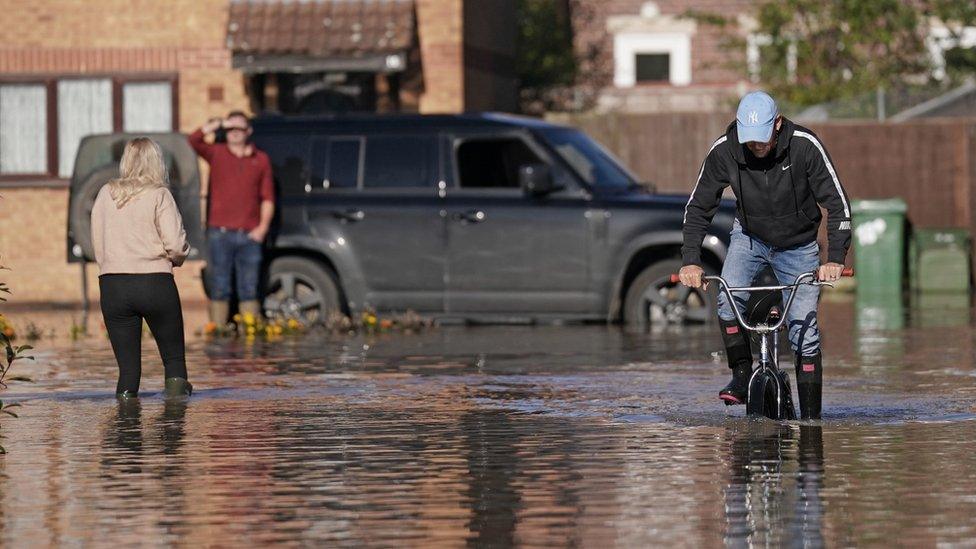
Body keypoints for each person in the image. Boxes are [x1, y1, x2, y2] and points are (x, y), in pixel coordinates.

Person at [678, 91, 851, 420]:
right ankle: (742, 374)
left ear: (778, 124)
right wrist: (690, 260)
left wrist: (836, 258)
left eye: (762, 139)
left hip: (799, 245)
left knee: (805, 331)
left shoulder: (804, 146)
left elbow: (837, 203)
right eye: (750, 140)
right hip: (750, 238)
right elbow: (698, 207)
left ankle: (811, 421)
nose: (756, 147)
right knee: (728, 300)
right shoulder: (725, 150)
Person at [92, 138, 193, 398]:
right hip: (154, 282)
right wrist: (176, 260)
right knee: (173, 362)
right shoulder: (160, 194)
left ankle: (126, 429)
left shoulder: (105, 193)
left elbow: (97, 242)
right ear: (156, 162)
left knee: (127, 371)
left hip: (113, 284)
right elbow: (176, 245)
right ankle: (174, 429)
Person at [189, 111, 274, 325]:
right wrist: (218, 123)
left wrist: (262, 229)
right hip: (219, 233)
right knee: (219, 286)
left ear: (249, 131)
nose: (234, 133)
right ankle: (219, 332)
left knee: (249, 288)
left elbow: (268, 198)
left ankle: (250, 333)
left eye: (240, 129)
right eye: (230, 129)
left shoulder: (261, 159)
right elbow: (193, 140)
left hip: (250, 235)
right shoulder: (216, 153)